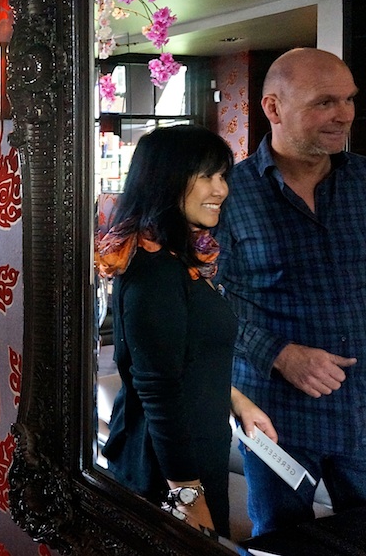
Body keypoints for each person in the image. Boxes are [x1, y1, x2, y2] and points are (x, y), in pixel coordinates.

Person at [96, 124, 276, 538]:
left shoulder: (181, 258)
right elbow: (159, 390)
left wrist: (237, 401)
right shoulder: (155, 271)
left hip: (194, 454)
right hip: (167, 468)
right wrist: (188, 495)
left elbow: (188, 356)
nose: (221, 189)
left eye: (223, 176)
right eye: (207, 176)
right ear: (166, 180)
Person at [215, 47, 366, 536]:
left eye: (349, 99)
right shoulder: (225, 195)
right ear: (273, 108)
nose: (344, 114)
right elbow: (204, 300)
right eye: (324, 102)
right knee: (282, 541)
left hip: (362, 409)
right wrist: (279, 354)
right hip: (276, 416)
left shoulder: (364, 182)